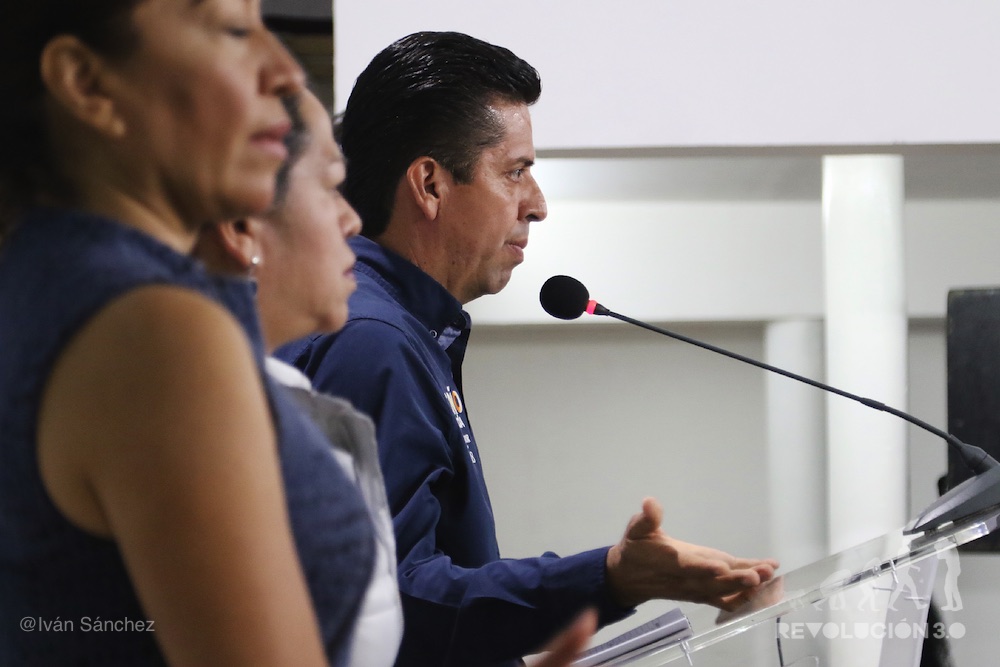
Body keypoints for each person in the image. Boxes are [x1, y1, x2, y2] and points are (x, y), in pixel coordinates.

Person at [277, 30, 779, 666]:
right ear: (430, 185)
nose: (537, 205)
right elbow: (395, 605)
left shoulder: (402, 328)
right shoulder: (373, 340)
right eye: (516, 172)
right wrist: (609, 579)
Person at [0, 3, 375, 665]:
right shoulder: (156, 332)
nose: (286, 71)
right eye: (234, 29)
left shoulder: (50, 279)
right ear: (87, 83)